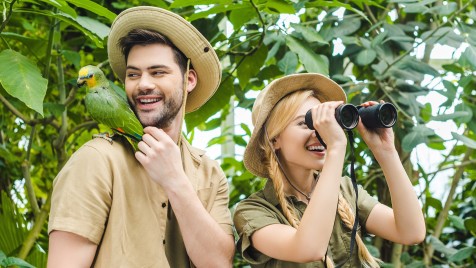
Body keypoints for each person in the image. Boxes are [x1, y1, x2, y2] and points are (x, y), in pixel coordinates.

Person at [47, 6, 234, 268]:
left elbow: (219, 264)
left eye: (158, 72)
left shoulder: (208, 173)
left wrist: (174, 180)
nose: (143, 83)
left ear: (189, 80)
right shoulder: (96, 161)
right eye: (133, 74)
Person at [233, 73, 426, 267]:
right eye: (306, 123)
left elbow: (411, 232)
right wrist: (335, 148)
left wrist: (386, 152)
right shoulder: (253, 211)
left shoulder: (345, 191)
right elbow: (309, 248)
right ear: (274, 139)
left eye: (324, 123)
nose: (320, 133)